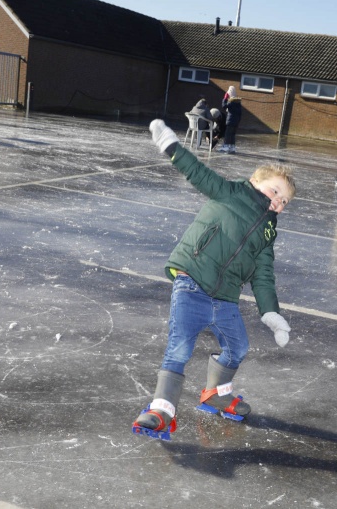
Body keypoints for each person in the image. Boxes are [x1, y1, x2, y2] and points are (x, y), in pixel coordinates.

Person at [132, 119, 296, 440]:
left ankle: (216, 393)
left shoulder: (267, 231)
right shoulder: (231, 193)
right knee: (179, 348)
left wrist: (271, 313)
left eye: (284, 201)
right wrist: (171, 146)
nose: (277, 201)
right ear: (255, 181)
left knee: (239, 347)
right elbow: (199, 173)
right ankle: (161, 410)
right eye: (275, 191)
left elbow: (263, 273)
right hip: (192, 282)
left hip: (225, 298)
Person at [219, 86, 242, 153]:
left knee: (227, 134)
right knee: (232, 134)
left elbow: (224, 106)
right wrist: (238, 121)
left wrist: (225, 98)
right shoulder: (238, 102)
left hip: (230, 121)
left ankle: (226, 147)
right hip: (236, 122)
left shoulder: (231, 101)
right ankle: (232, 147)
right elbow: (240, 113)